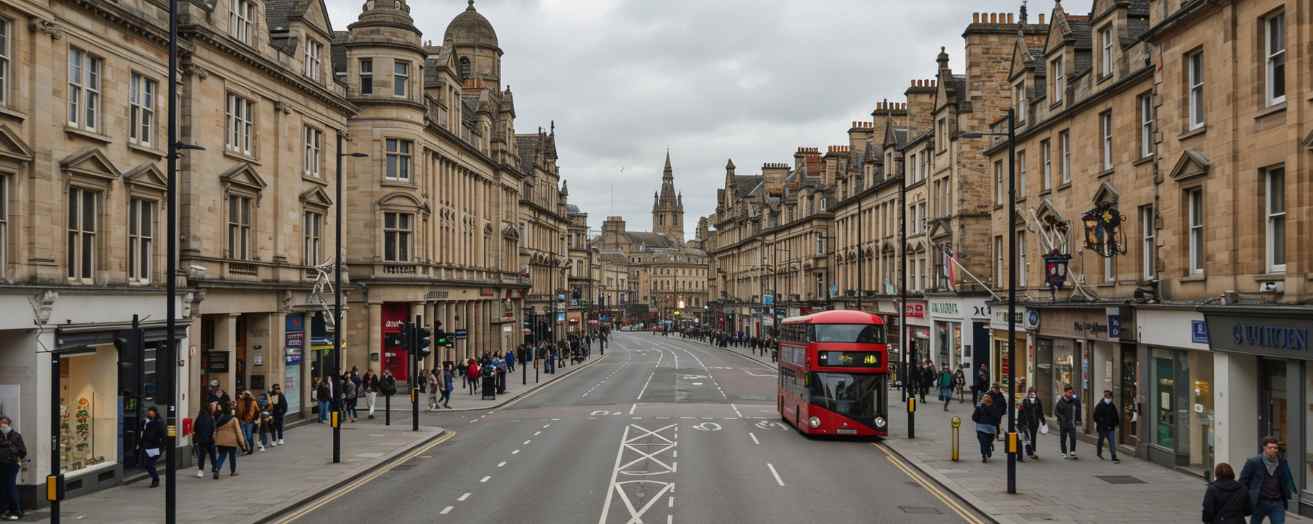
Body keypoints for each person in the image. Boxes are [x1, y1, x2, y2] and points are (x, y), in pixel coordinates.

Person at [1239, 437, 1296, 524]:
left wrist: (1288, 492)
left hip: (1277, 502)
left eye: (1275, 448)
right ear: (1264, 448)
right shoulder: (1253, 462)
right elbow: (1243, 482)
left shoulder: (1282, 462)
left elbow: (1286, 479)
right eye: (1270, 447)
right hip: (1259, 502)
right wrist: (1246, 498)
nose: (1273, 450)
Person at [0, 416, 27, 521]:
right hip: (1, 464)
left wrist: (11, 448)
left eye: (5, 423)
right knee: (3, 486)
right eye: (1, 423)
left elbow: (23, 451)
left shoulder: (16, 436)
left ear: (9, 424)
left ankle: (16, 509)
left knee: (10, 486)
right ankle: (5, 509)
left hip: (11, 464)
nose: (3, 425)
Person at [212, 401, 246, 478]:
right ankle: (233, 471)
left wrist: (215, 439)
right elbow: (238, 432)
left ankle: (217, 468)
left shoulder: (219, 419)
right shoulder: (234, 419)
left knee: (222, 455)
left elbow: (215, 430)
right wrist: (242, 444)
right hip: (231, 441)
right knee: (232, 456)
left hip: (220, 440)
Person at [139, 407, 164, 487]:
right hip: (147, 446)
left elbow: (161, 436)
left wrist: (161, 446)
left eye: (151, 413)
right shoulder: (145, 422)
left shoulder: (159, 423)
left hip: (155, 447)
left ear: (155, 413)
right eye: (149, 413)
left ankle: (156, 479)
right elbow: (143, 434)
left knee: (150, 464)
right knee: (147, 464)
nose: (149, 414)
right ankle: (155, 479)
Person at [1093, 389, 1121, 463]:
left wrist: (1116, 424)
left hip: (1111, 427)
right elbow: (1095, 416)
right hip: (1102, 428)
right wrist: (1100, 421)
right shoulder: (1100, 405)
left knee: (1112, 442)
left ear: (1111, 397)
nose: (1107, 397)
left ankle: (1114, 456)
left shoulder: (1112, 406)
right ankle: (1099, 453)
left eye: (1109, 396)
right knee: (1101, 441)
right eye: (1106, 396)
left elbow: (1115, 416)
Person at [1017, 387, 1044, 460]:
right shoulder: (1024, 401)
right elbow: (1020, 413)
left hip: (1034, 422)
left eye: (1034, 393)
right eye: (1032, 393)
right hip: (1025, 422)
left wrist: (1043, 421)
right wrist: (1019, 423)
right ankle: (1029, 451)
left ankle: (1032, 451)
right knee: (1027, 437)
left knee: (1033, 437)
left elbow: (1040, 412)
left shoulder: (1038, 401)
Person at [1054, 386, 1081, 459]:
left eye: (1072, 392)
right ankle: (1064, 452)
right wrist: (1061, 417)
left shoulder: (1074, 401)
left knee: (1073, 437)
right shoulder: (1060, 401)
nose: (1071, 394)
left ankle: (1072, 452)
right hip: (1063, 423)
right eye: (1069, 392)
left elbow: (1077, 410)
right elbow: (1056, 412)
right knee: (1063, 438)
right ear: (1065, 392)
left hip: (1071, 422)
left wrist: (1078, 419)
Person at [192, 402, 217, 478]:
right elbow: (213, 429)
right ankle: (215, 469)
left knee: (202, 456)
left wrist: (196, 439)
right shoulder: (211, 418)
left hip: (201, 440)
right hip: (210, 440)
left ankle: (200, 471)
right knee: (213, 456)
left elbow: (195, 429)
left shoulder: (199, 417)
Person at [972, 394, 999, 463]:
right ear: (982, 399)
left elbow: (996, 417)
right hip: (981, 428)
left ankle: (988, 449)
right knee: (983, 442)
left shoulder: (993, 407)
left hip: (991, 429)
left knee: (988, 442)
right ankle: (984, 455)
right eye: (985, 398)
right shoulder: (979, 407)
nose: (986, 399)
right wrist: (980, 421)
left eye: (988, 398)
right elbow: (974, 417)